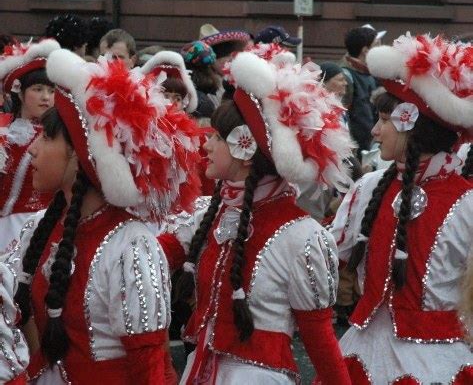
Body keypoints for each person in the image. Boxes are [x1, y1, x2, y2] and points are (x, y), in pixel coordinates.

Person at [159, 45, 354, 384]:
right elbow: (152, 256)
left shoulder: (300, 236)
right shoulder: (209, 214)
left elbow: (319, 337)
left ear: (244, 148)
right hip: (203, 370)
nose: (205, 145)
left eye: (217, 138)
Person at [8, 48, 202, 383]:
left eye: (47, 135)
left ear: (78, 154)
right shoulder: (39, 227)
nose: (34, 148)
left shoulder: (130, 247)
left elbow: (151, 366)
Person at [331, 33, 473, 383]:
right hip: (362, 349)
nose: (375, 132)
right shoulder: (369, 187)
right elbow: (328, 257)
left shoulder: (467, 202)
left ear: (411, 123)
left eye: (383, 120)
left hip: (436, 363)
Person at [0, 39, 59, 258]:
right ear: (20, 93)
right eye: (38, 89)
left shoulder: (59, 137)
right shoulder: (4, 131)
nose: (46, 97)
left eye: (51, 90)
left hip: (40, 227)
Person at [341, 27, 380, 154]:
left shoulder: (370, 73)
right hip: (355, 152)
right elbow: (341, 118)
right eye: (377, 45)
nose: (381, 49)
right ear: (365, 50)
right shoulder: (345, 77)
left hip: (369, 148)